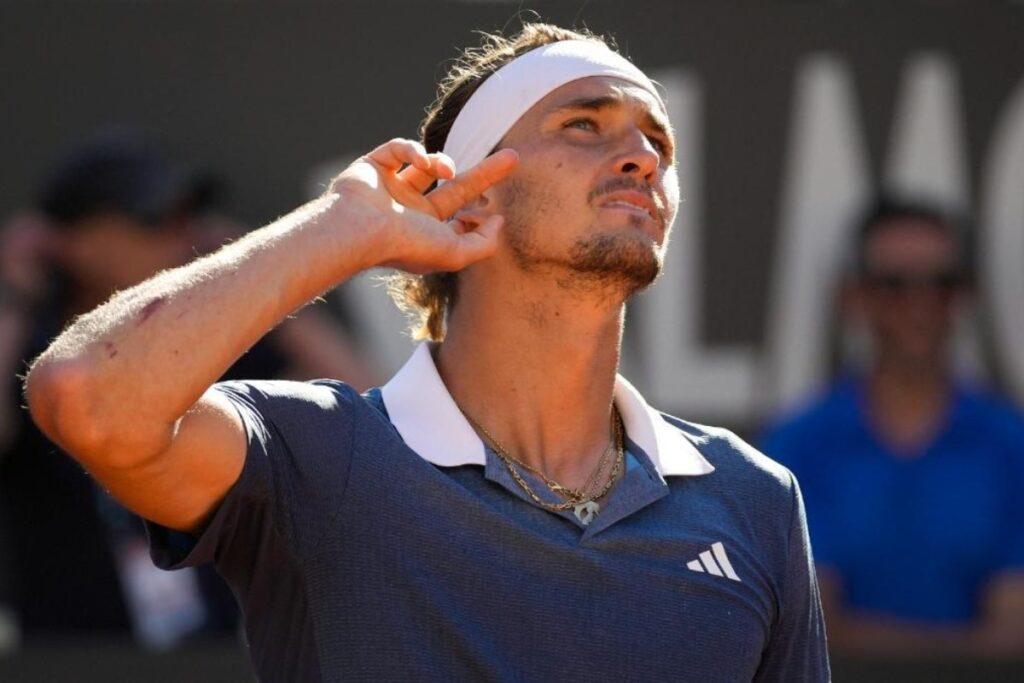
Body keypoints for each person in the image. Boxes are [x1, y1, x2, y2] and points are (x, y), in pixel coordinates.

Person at [25, 24, 829, 680]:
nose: (643, 157)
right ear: (471, 188)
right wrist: (342, 228)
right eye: (583, 124)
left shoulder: (755, 498)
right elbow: (83, 396)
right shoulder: (316, 453)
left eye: (657, 141)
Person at [0, 129, 378, 645]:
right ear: (77, 239)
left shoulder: (215, 351)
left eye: (186, 219)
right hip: (76, 654)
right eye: (153, 219)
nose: (178, 238)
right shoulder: (29, 346)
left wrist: (256, 276)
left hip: (217, 653)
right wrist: (18, 294)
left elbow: (362, 410)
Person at [761, 196, 1024, 656]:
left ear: (965, 295)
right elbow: (808, 632)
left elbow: (1014, 635)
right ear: (854, 295)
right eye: (893, 284)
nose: (919, 304)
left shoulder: (1010, 447)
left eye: (940, 283)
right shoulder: (798, 448)